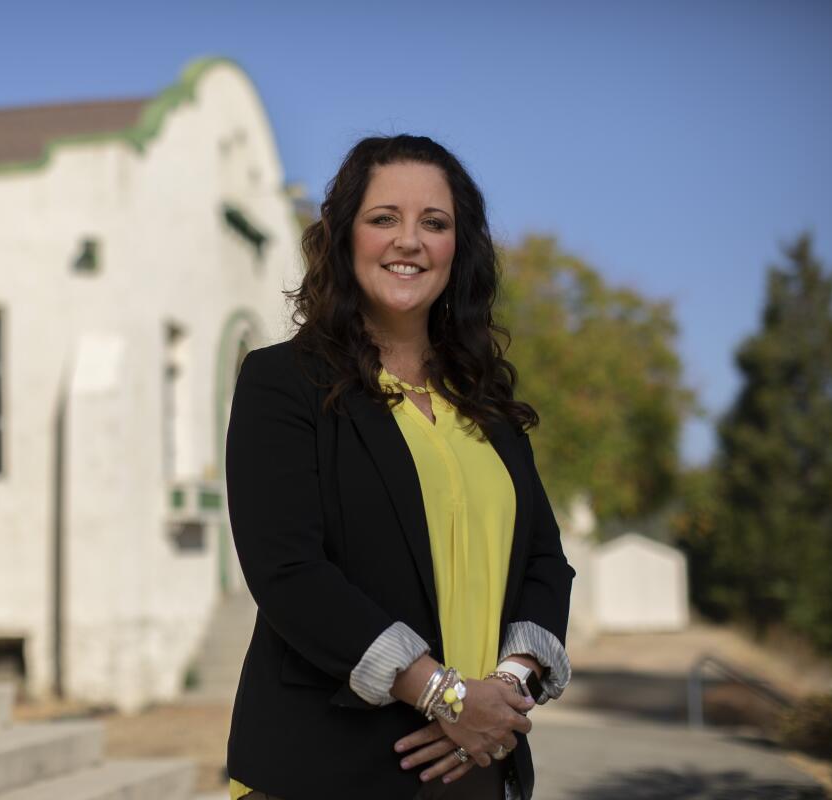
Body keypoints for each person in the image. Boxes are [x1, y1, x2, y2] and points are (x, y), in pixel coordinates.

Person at [224, 134, 575, 800]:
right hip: (327, 769)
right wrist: (443, 695)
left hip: (479, 765)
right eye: (384, 218)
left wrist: (502, 690)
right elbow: (288, 572)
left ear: (457, 248)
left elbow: (544, 563)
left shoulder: (487, 406)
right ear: (344, 237)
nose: (408, 240)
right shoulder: (282, 382)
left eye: (433, 223)